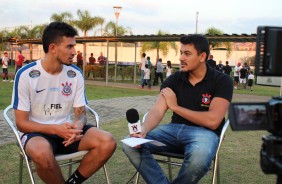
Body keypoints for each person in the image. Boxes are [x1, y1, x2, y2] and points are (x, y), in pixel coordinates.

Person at [11, 22, 116, 184]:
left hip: (68, 133)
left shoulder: (75, 74)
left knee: (107, 142)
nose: (74, 52)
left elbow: (80, 114)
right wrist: (55, 129)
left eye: (74, 46)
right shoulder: (26, 74)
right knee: (41, 153)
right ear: (53, 48)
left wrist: (78, 127)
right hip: (37, 134)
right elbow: (21, 123)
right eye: (69, 47)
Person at [123, 34, 233, 184]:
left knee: (199, 157)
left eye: (187, 54)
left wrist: (175, 107)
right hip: (172, 132)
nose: (181, 58)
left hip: (204, 134)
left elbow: (213, 121)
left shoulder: (222, 81)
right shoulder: (174, 79)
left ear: (202, 56)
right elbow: (157, 110)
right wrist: (143, 130)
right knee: (130, 143)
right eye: (181, 53)